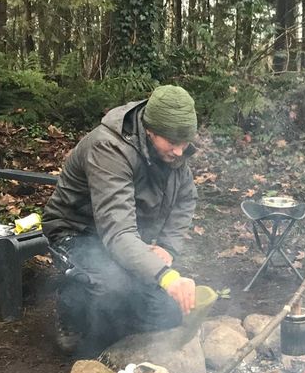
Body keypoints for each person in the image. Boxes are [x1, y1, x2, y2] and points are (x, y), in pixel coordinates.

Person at [43, 85, 201, 355]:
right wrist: (166, 276)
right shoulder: (109, 148)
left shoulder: (173, 151)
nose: (179, 152)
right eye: (172, 143)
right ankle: (70, 306)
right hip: (77, 231)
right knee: (112, 288)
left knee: (166, 311)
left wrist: (167, 247)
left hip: (124, 235)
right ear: (150, 130)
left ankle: (119, 327)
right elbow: (117, 232)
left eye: (184, 143)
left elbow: (186, 199)